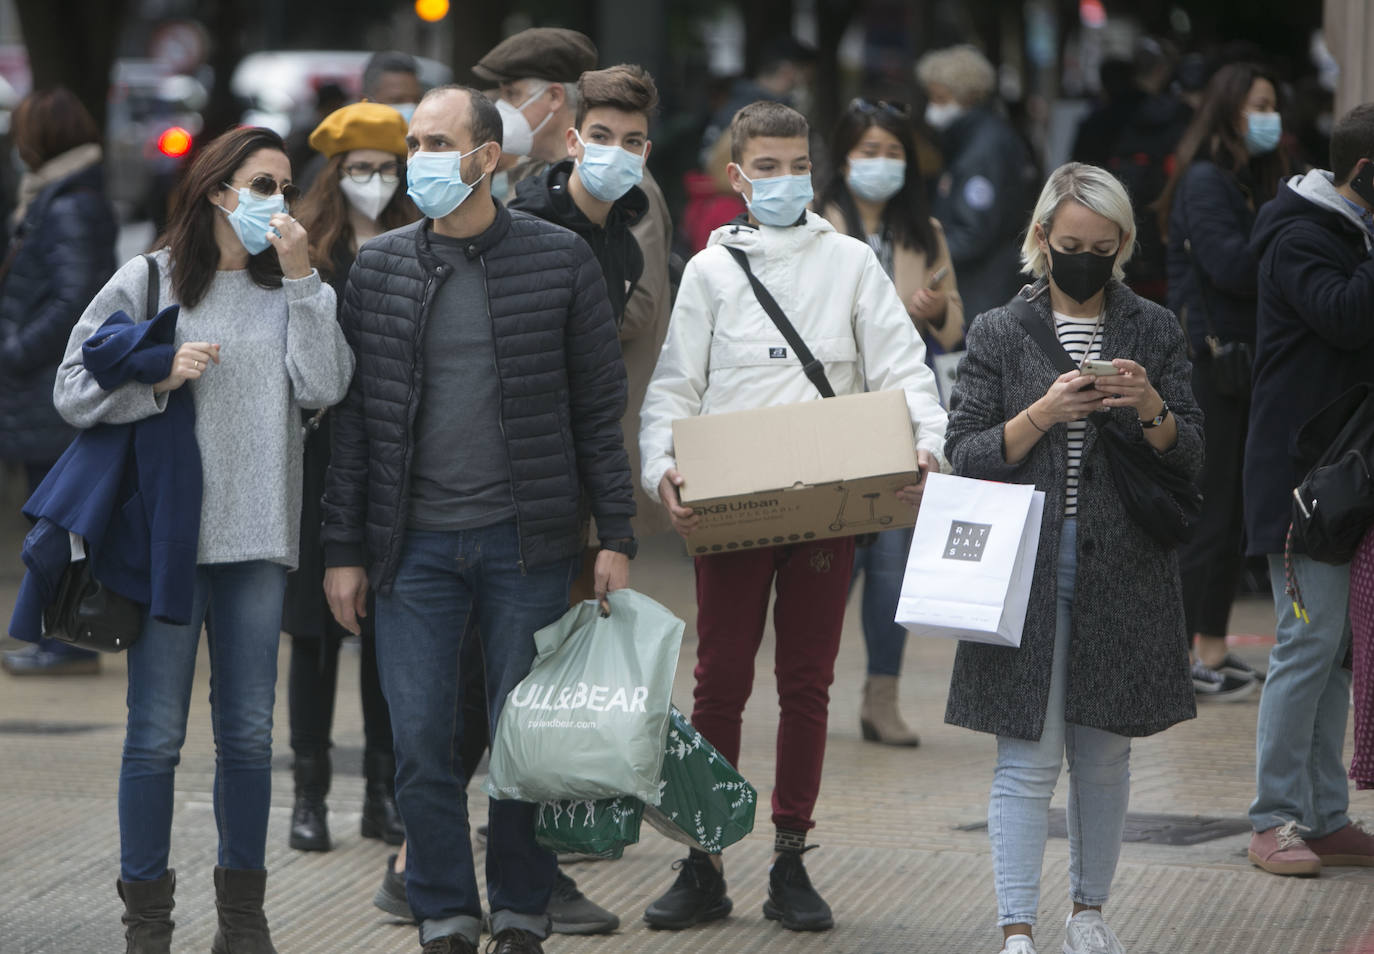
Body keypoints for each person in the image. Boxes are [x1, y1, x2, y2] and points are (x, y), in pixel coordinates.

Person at [321, 85, 636, 954]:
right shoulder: (380, 268)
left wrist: (615, 535)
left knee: (521, 746)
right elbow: (356, 429)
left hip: (525, 543)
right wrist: (342, 550)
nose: (417, 158)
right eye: (413, 142)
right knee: (419, 744)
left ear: (488, 157)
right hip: (409, 549)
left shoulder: (557, 261)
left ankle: (522, 912)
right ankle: (445, 912)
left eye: (434, 142)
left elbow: (594, 414)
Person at [638, 100, 947, 934]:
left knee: (807, 683)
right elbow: (674, 386)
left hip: (829, 502)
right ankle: (703, 861)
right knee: (719, 680)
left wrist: (926, 441)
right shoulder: (709, 271)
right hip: (733, 504)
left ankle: (791, 857)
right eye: (765, 167)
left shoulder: (850, 262)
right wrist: (662, 467)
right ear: (736, 176)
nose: (783, 181)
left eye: (796, 165)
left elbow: (902, 365)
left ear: (816, 170)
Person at [53, 125, 353, 953]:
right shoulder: (149, 282)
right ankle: (147, 923)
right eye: (262, 186)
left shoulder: (296, 286)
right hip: (165, 547)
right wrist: (157, 374)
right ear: (217, 191)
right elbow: (72, 387)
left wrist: (300, 282)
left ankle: (242, 922)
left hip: (258, 542)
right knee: (155, 737)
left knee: (249, 739)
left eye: (286, 189)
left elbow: (326, 387)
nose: (279, 205)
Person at [944, 162, 1201, 954]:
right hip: (1022, 570)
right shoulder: (996, 330)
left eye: (1101, 244)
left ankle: (1088, 913)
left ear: (1122, 244)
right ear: (1041, 240)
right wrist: (1044, 412)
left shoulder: (1154, 329)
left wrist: (1149, 404)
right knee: (1026, 756)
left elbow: (1189, 454)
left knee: (1104, 757)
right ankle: (1017, 924)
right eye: (1069, 243)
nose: (1084, 256)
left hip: (1124, 569)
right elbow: (966, 452)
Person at [282, 102, 420, 854]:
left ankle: (380, 793)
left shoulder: (420, 240)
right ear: (336, 174)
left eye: (386, 167)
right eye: (360, 168)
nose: (374, 181)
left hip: (396, 464)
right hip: (319, 459)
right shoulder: (308, 251)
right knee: (312, 634)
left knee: (385, 635)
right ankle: (309, 795)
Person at [1243, 102, 1374, 878]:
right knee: (1305, 644)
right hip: (1302, 482)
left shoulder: (1349, 236)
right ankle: (1272, 818)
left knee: (1335, 652)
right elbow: (1346, 317)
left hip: (1345, 477)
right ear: (1364, 174)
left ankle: (1324, 816)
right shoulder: (1299, 235)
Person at [816, 95, 964, 747]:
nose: (880, 163)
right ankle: (808, 691)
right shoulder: (815, 222)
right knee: (828, 562)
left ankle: (883, 697)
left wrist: (931, 311)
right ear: (844, 156)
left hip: (899, 415)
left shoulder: (923, 231)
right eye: (868, 150)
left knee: (893, 565)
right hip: (828, 415)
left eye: (893, 152)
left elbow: (956, 323)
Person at [1159, 62, 1287, 701]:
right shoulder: (1209, 181)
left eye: (1273, 105)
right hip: (1209, 362)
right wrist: (1281, 218)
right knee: (1209, 512)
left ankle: (1211, 646)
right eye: (1259, 105)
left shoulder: (1242, 182)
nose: (1270, 117)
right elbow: (1231, 265)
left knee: (1234, 511)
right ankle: (1179, 651)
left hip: (1241, 361)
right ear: (1231, 110)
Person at [0, 87, 117, 676]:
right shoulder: (55, 198)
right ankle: (57, 635)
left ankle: (67, 641)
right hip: (38, 388)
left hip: (50, 389)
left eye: (24, 132)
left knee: (60, 521)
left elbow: (75, 298)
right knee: (53, 519)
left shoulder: (68, 205)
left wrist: (16, 349)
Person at [917, 44, 1038, 321]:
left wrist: (923, 255)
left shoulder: (982, 150)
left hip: (985, 288)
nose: (933, 107)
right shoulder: (978, 139)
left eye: (940, 97)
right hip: (988, 282)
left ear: (967, 96)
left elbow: (974, 231)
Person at [698, 36, 817, 165]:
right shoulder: (758, 113)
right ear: (787, 71)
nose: (806, 83)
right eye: (806, 76)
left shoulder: (737, 102)